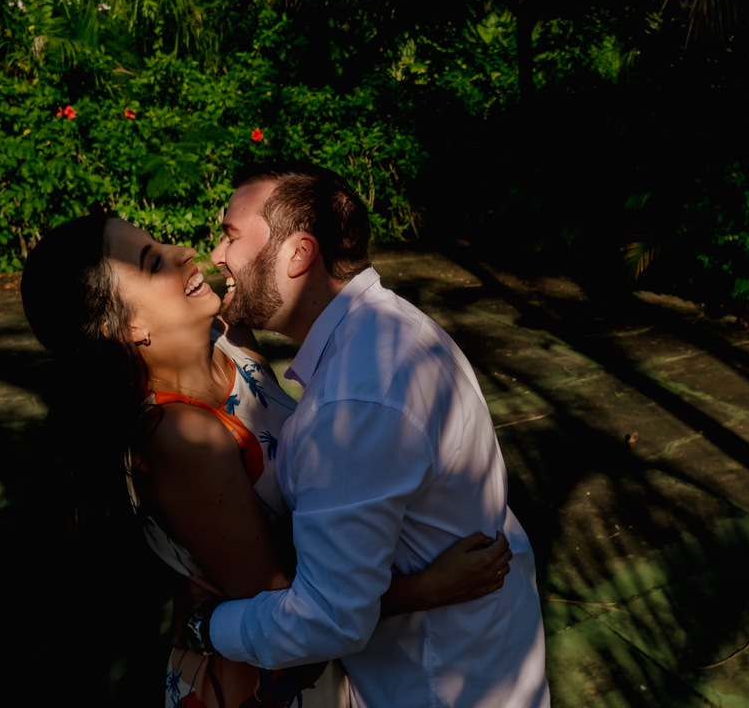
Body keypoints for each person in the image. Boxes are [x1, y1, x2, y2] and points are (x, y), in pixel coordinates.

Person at [20, 211, 514, 708]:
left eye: (161, 244)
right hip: (261, 678)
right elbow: (283, 602)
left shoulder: (230, 340)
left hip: (325, 646)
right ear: (127, 326)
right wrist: (427, 588)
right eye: (153, 263)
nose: (184, 252)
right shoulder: (179, 435)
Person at [183, 161, 550, 708]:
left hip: (434, 683)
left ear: (298, 254)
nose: (216, 253)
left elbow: (327, 619)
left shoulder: (355, 400)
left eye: (231, 236)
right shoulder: (389, 327)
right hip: (480, 654)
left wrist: (206, 625)